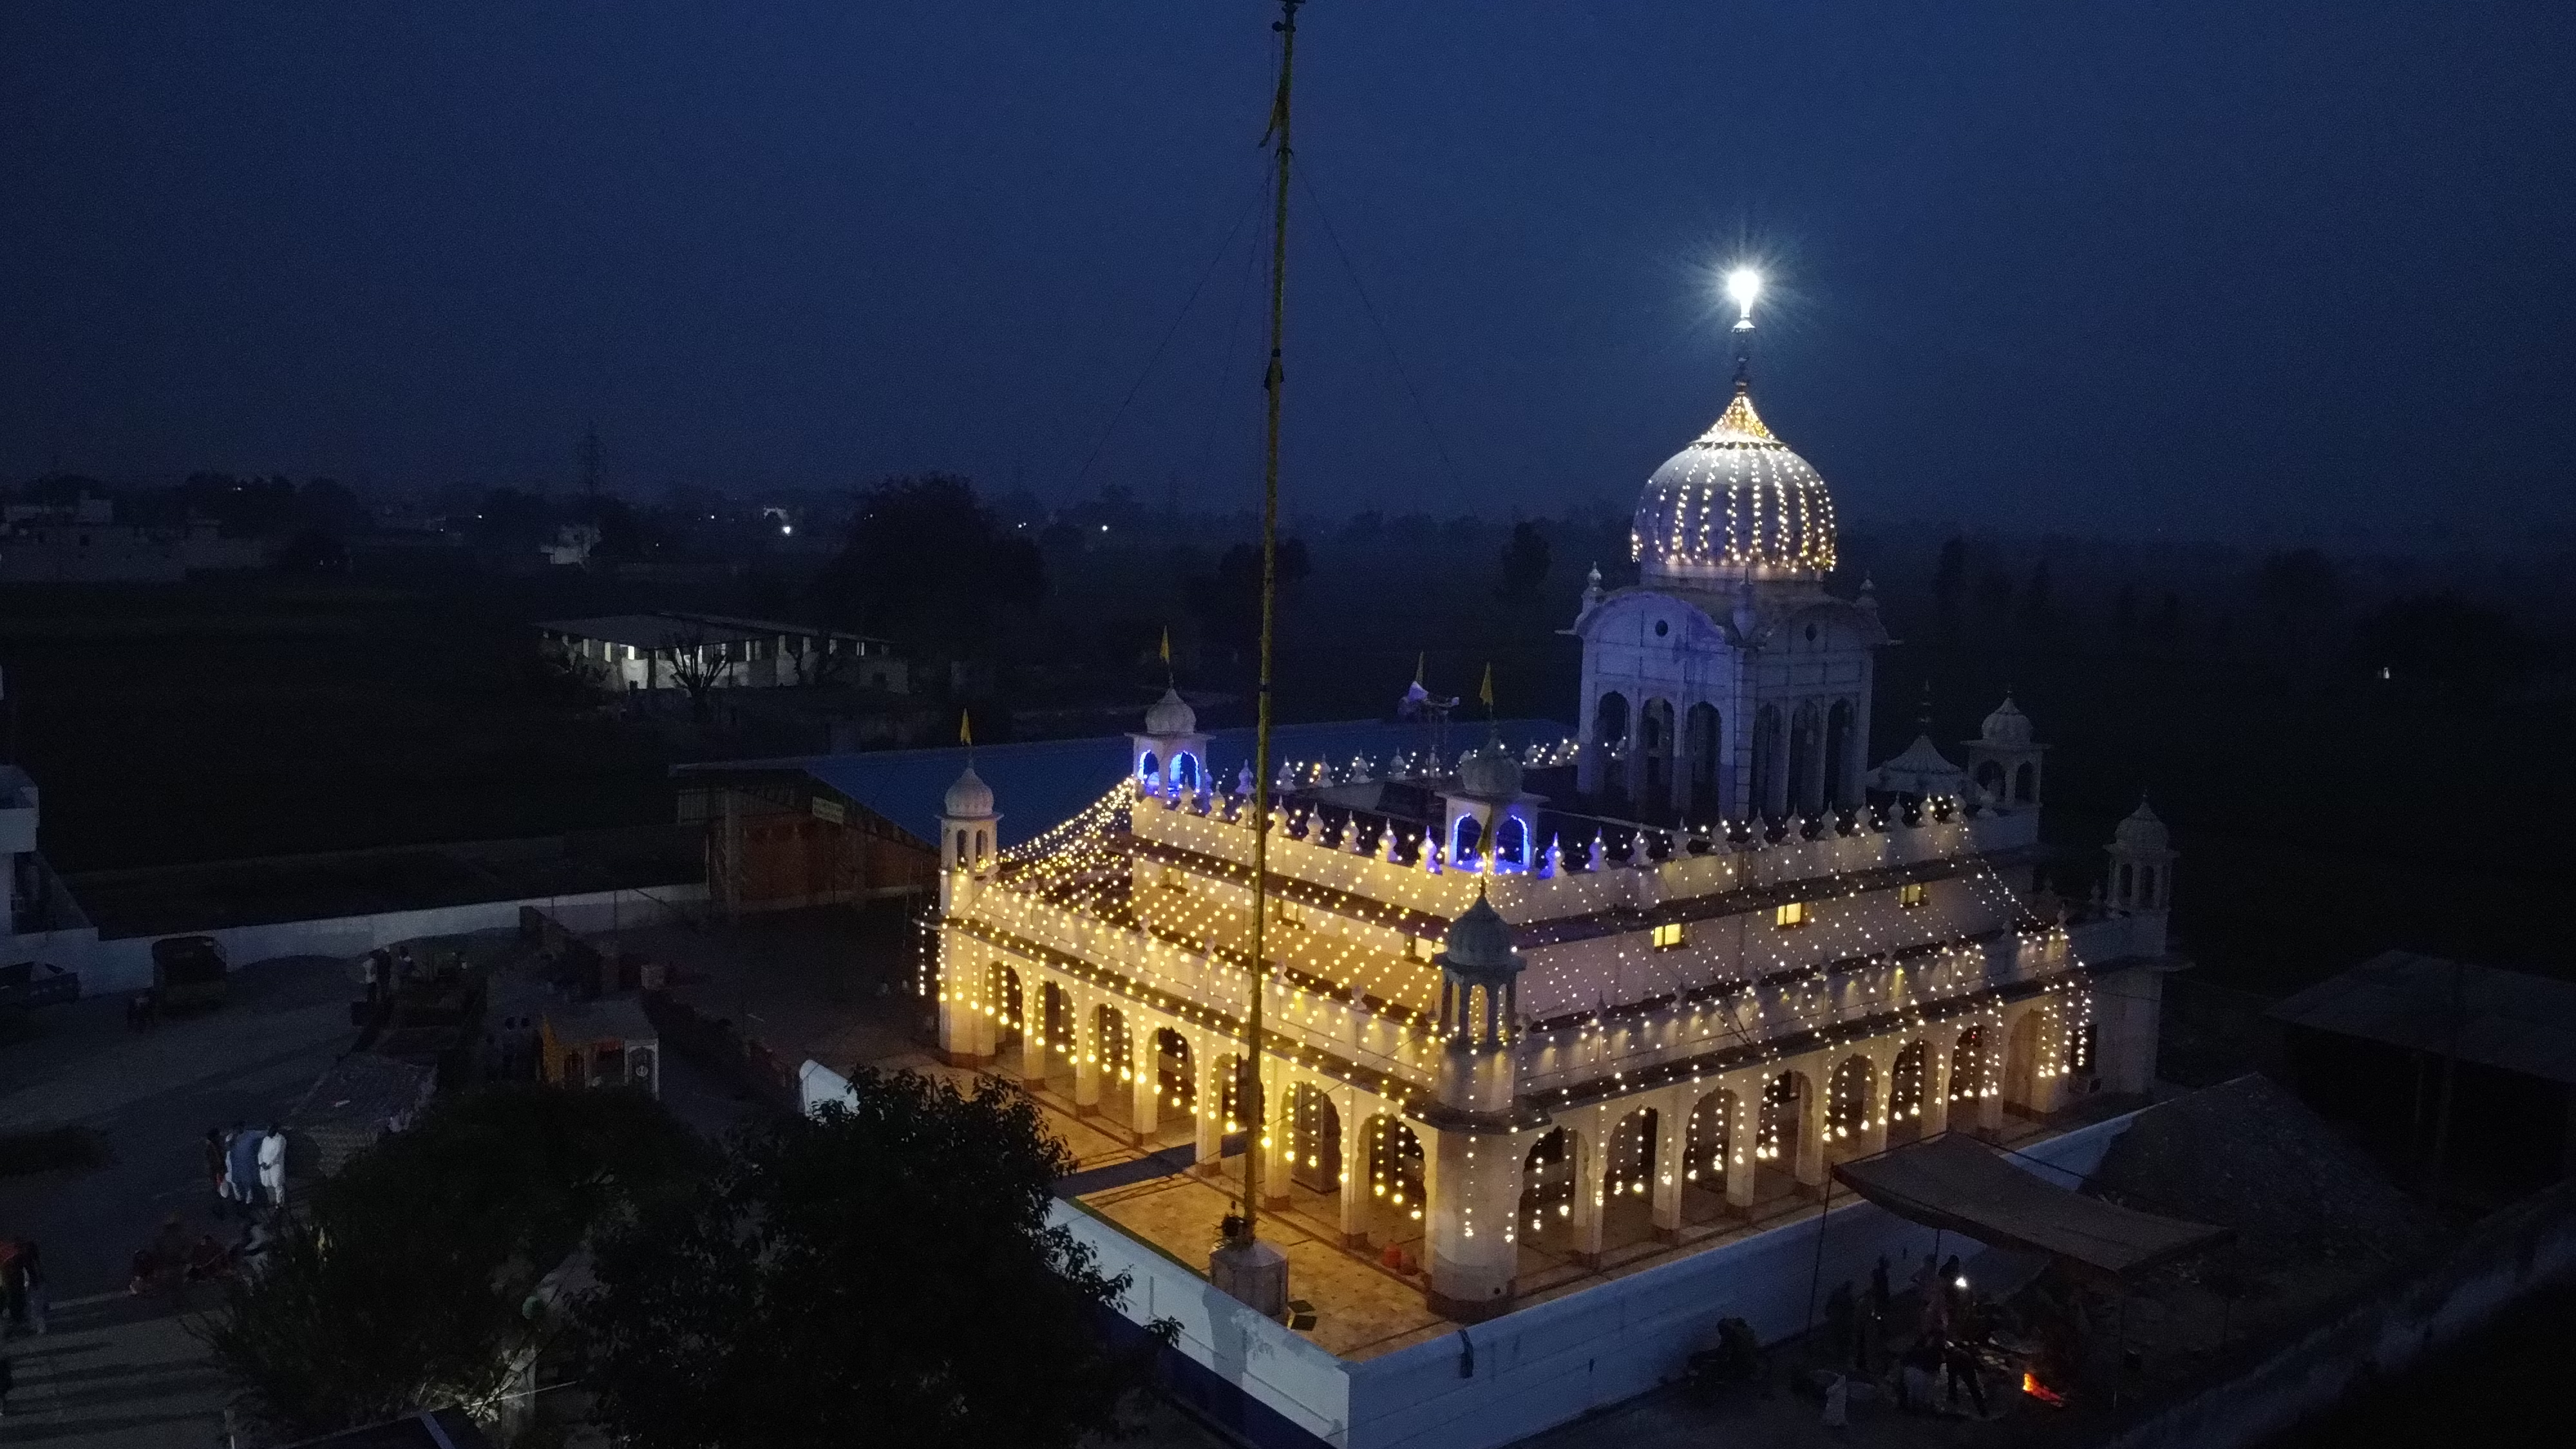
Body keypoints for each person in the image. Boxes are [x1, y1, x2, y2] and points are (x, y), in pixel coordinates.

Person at [1942, 1335, 1989, 1417]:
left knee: (1953, 1382)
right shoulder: (1962, 1352)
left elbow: (1951, 1377)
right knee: (1974, 1388)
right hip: (1968, 1367)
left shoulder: (1950, 1357)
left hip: (1962, 1367)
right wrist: (1981, 1368)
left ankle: (1953, 1399)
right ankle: (1982, 1410)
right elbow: (1973, 1360)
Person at [227, 1121, 262, 1212]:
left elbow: (261, 1134)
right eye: (236, 1129)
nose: (238, 1130)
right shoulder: (232, 1138)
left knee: (248, 1184)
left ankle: (249, 1203)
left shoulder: (250, 1134)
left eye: (239, 1128)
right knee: (236, 1183)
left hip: (247, 1165)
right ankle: (240, 1200)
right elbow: (229, 1150)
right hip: (236, 1166)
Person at [258, 1124, 288, 1209]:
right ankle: (272, 1202)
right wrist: (261, 1163)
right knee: (267, 1184)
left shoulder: (281, 1139)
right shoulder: (266, 1140)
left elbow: (278, 1154)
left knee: (278, 1184)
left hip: (275, 1166)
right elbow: (260, 1152)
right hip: (265, 1167)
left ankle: (280, 1204)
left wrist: (269, 1164)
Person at [205, 1127, 231, 1213]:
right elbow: (217, 1161)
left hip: (216, 1173)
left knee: (218, 1190)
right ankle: (220, 1210)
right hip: (216, 1173)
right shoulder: (212, 1148)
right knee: (219, 1190)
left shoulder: (212, 1146)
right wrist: (220, 1172)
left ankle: (220, 1208)